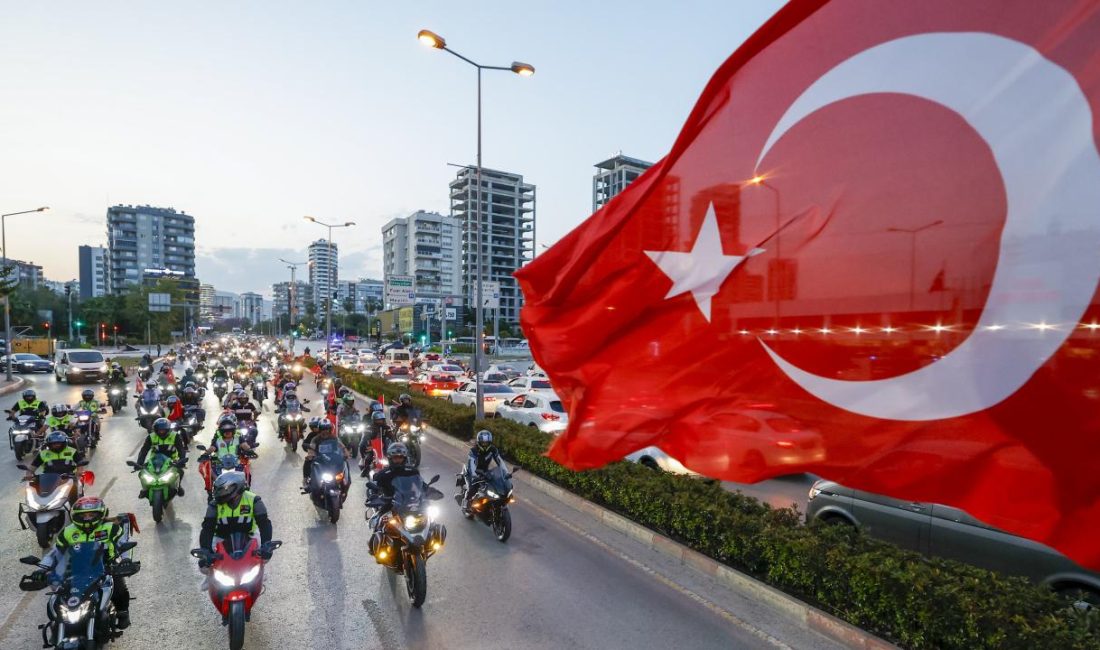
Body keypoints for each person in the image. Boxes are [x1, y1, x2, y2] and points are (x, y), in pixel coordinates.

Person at [30, 497, 134, 629]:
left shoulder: (111, 528)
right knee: (59, 595)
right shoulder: (68, 532)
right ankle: (59, 622)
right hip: (75, 570)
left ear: (100, 514)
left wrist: (126, 560)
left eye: (91, 514)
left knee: (119, 588)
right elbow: (54, 553)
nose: (87, 518)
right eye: (83, 515)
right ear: (76, 516)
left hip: (106, 568)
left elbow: (123, 544)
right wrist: (42, 569)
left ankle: (123, 612)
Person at [198, 472, 273, 553]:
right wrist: (205, 550)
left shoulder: (254, 500)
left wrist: (266, 544)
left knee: (263, 557)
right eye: (218, 490)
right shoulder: (214, 505)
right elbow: (207, 529)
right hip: (220, 538)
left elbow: (264, 524)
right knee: (204, 564)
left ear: (237, 488)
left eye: (224, 490)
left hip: (250, 536)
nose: (220, 494)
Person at [134, 417, 187, 497]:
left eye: (163, 430)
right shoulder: (151, 437)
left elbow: (181, 450)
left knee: (180, 472)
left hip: (172, 460)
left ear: (168, 429)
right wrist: (139, 463)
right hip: (154, 461)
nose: (161, 432)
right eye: (159, 430)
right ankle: (144, 489)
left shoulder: (175, 436)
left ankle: (178, 486)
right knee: (141, 473)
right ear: (155, 430)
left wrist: (181, 460)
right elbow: (143, 451)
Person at [367, 442, 420, 518]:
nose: (398, 460)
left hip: (411, 503)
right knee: (378, 520)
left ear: (404, 458)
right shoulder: (383, 473)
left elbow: (420, 484)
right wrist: (374, 497)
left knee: (430, 520)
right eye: (395, 458)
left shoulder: (412, 471)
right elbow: (374, 487)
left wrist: (429, 491)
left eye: (400, 457)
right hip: (390, 504)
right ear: (390, 458)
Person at [462, 430, 506, 510]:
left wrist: (505, 472)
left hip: (485, 471)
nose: (485, 445)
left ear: (490, 442)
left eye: (487, 443)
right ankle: (466, 502)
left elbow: (499, 461)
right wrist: (475, 476)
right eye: (483, 443)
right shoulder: (474, 451)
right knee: (473, 487)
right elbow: (472, 463)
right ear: (479, 442)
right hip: (472, 472)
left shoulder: (493, 449)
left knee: (494, 485)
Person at [301, 419, 347, 487]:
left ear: (330, 429)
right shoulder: (315, 439)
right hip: (320, 458)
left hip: (332, 457)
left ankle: (346, 480)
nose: (325, 431)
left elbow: (341, 445)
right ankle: (306, 479)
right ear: (320, 429)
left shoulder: (334, 438)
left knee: (345, 462)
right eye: (323, 429)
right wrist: (310, 455)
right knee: (308, 461)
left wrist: (345, 452)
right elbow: (312, 448)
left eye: (327, 429)